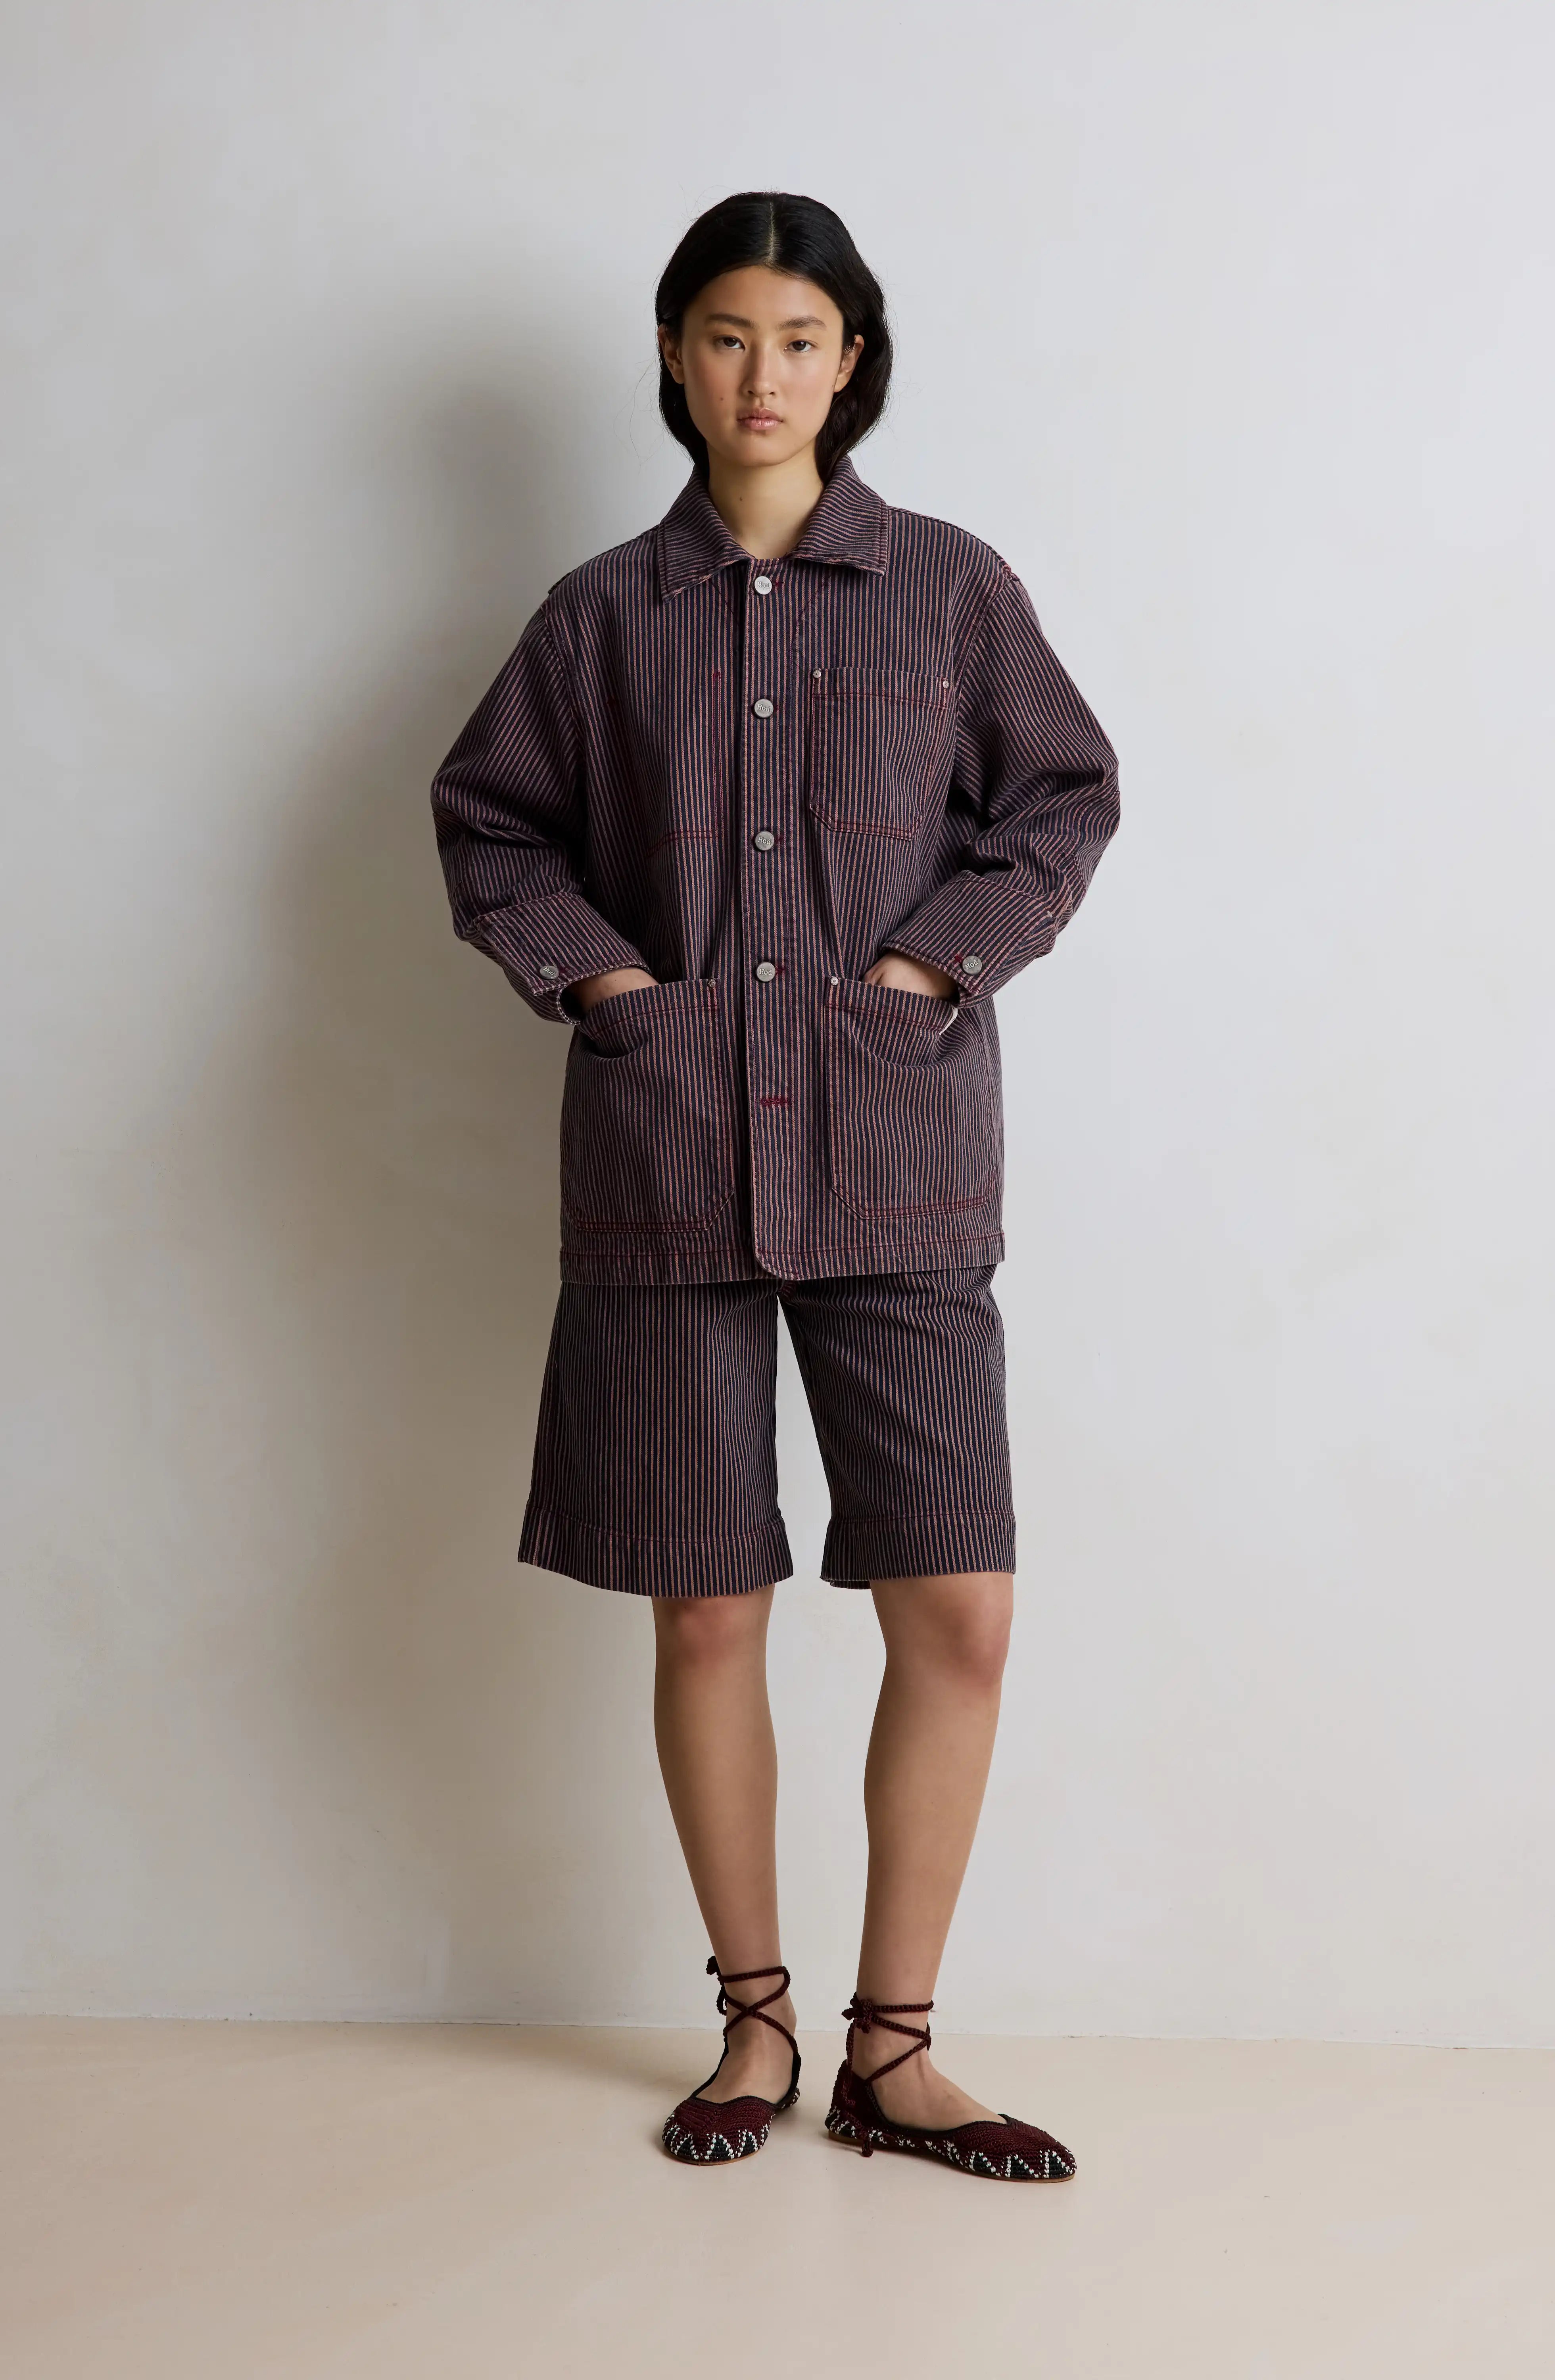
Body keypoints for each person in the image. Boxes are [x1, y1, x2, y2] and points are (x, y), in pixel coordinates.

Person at [430, 191, 1118, 2181]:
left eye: (800, 337)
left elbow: (1061, 798)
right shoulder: (597, 618)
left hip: (897, 1159)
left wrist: (927, 970)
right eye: (726, 334)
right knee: (708, 1615)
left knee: (957, 1608)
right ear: (674, 355)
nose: (762, 373)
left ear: (850, 361)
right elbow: (489, 824)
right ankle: (752, 2025)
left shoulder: (950, 590)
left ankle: (895, 2053)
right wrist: (612, 990)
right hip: (669, 1165)